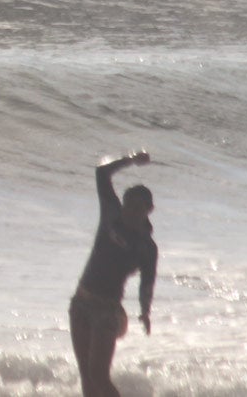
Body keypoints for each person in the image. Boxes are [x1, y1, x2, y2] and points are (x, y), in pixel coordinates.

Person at [70, 150, 156, 397]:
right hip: (80, 303)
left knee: (99, 376)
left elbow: (147, 282)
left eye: (138, 207)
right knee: (87, 375)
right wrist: (131, 159)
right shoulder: (111, 214)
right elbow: (101, 172)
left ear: (149, 209)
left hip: (108, 313)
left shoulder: (146, 248)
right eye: (128, 204)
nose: (131, 211)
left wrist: (145, 311)